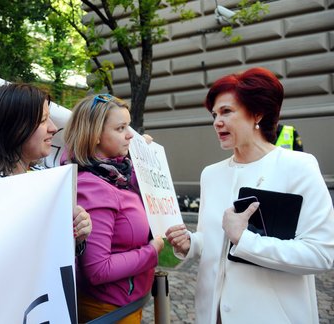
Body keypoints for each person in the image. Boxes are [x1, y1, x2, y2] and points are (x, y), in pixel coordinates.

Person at [165, 67, 334, 324]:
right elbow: (209, 239)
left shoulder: (298, 167)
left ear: (257, 113)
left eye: (227, 112)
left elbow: (320, 254)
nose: (216, 122)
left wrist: (245, 240)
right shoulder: (211, 174)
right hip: (212, 315)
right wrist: (190, 242)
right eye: (214, 114)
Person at [0, 83, 92, 251]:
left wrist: (76, 237)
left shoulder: (44, 177)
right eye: (43, 120)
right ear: (13, 128)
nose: (53, 128)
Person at [62, 94, 164, 323]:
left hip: (124, 303)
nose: (130, 134)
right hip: (109, 309)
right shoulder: (93, 187)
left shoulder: (116, 174)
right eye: (120, 128)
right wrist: (152, 250)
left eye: (129, 126)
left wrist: (145, 162)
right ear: (95, 135)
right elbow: (98, 269)